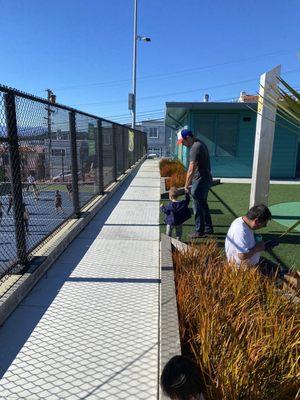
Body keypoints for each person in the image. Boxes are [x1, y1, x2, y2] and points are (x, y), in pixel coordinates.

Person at [177, 129, 213, 239]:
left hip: (200, 180)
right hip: (206, 178)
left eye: (183, 142)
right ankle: (208, 228)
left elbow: (191, 168)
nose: (182, 144)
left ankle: (199, 231)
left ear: (188, 138)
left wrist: (186, 185)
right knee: (203, 204)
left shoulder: (195, 148)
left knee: (197, 205)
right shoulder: (200, 143)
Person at [225, 204, 280, 275]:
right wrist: (258, 248)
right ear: (256, 221)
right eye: (264, 225)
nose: (264, 227)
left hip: (251, 262)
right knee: (277, 276)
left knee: (277, 268)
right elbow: (242, 255)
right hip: (243, 269)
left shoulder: (242, 221)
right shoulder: (240, 231)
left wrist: (263, 246)